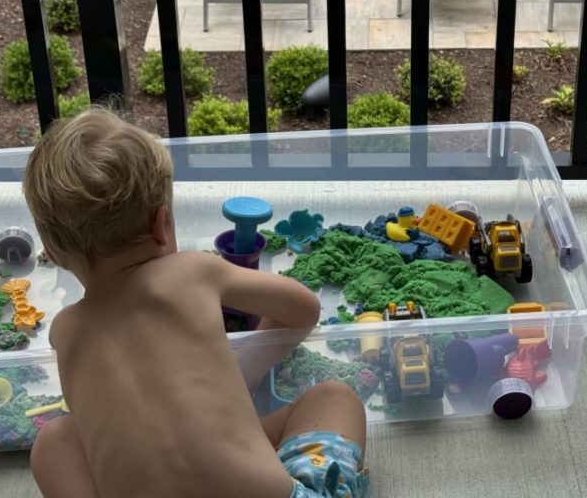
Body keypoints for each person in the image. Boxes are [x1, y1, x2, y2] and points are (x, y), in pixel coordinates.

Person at [22, 108, 370, 498]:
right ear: (161, 222)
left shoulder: (65, 331)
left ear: (52, 253)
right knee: (333, 397)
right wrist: (245, 366)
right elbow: (303, 309)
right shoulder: (192, 271)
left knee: (56, 440)